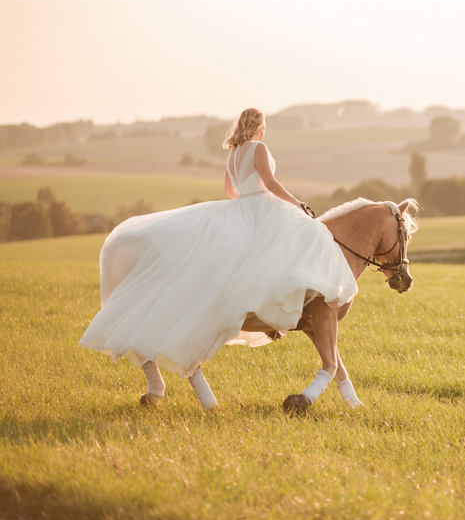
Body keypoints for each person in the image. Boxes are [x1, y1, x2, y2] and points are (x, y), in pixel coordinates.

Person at [80, 108, 358, 409]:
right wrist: (297, 204)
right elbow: (271, 184)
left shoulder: (234, 152)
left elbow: (230, 190)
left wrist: (246, 204)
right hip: (263, 210)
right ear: (260, 128)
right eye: (263, 127)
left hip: (241, 209)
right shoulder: (259, 148)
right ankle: (288, 310)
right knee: (308, 238)